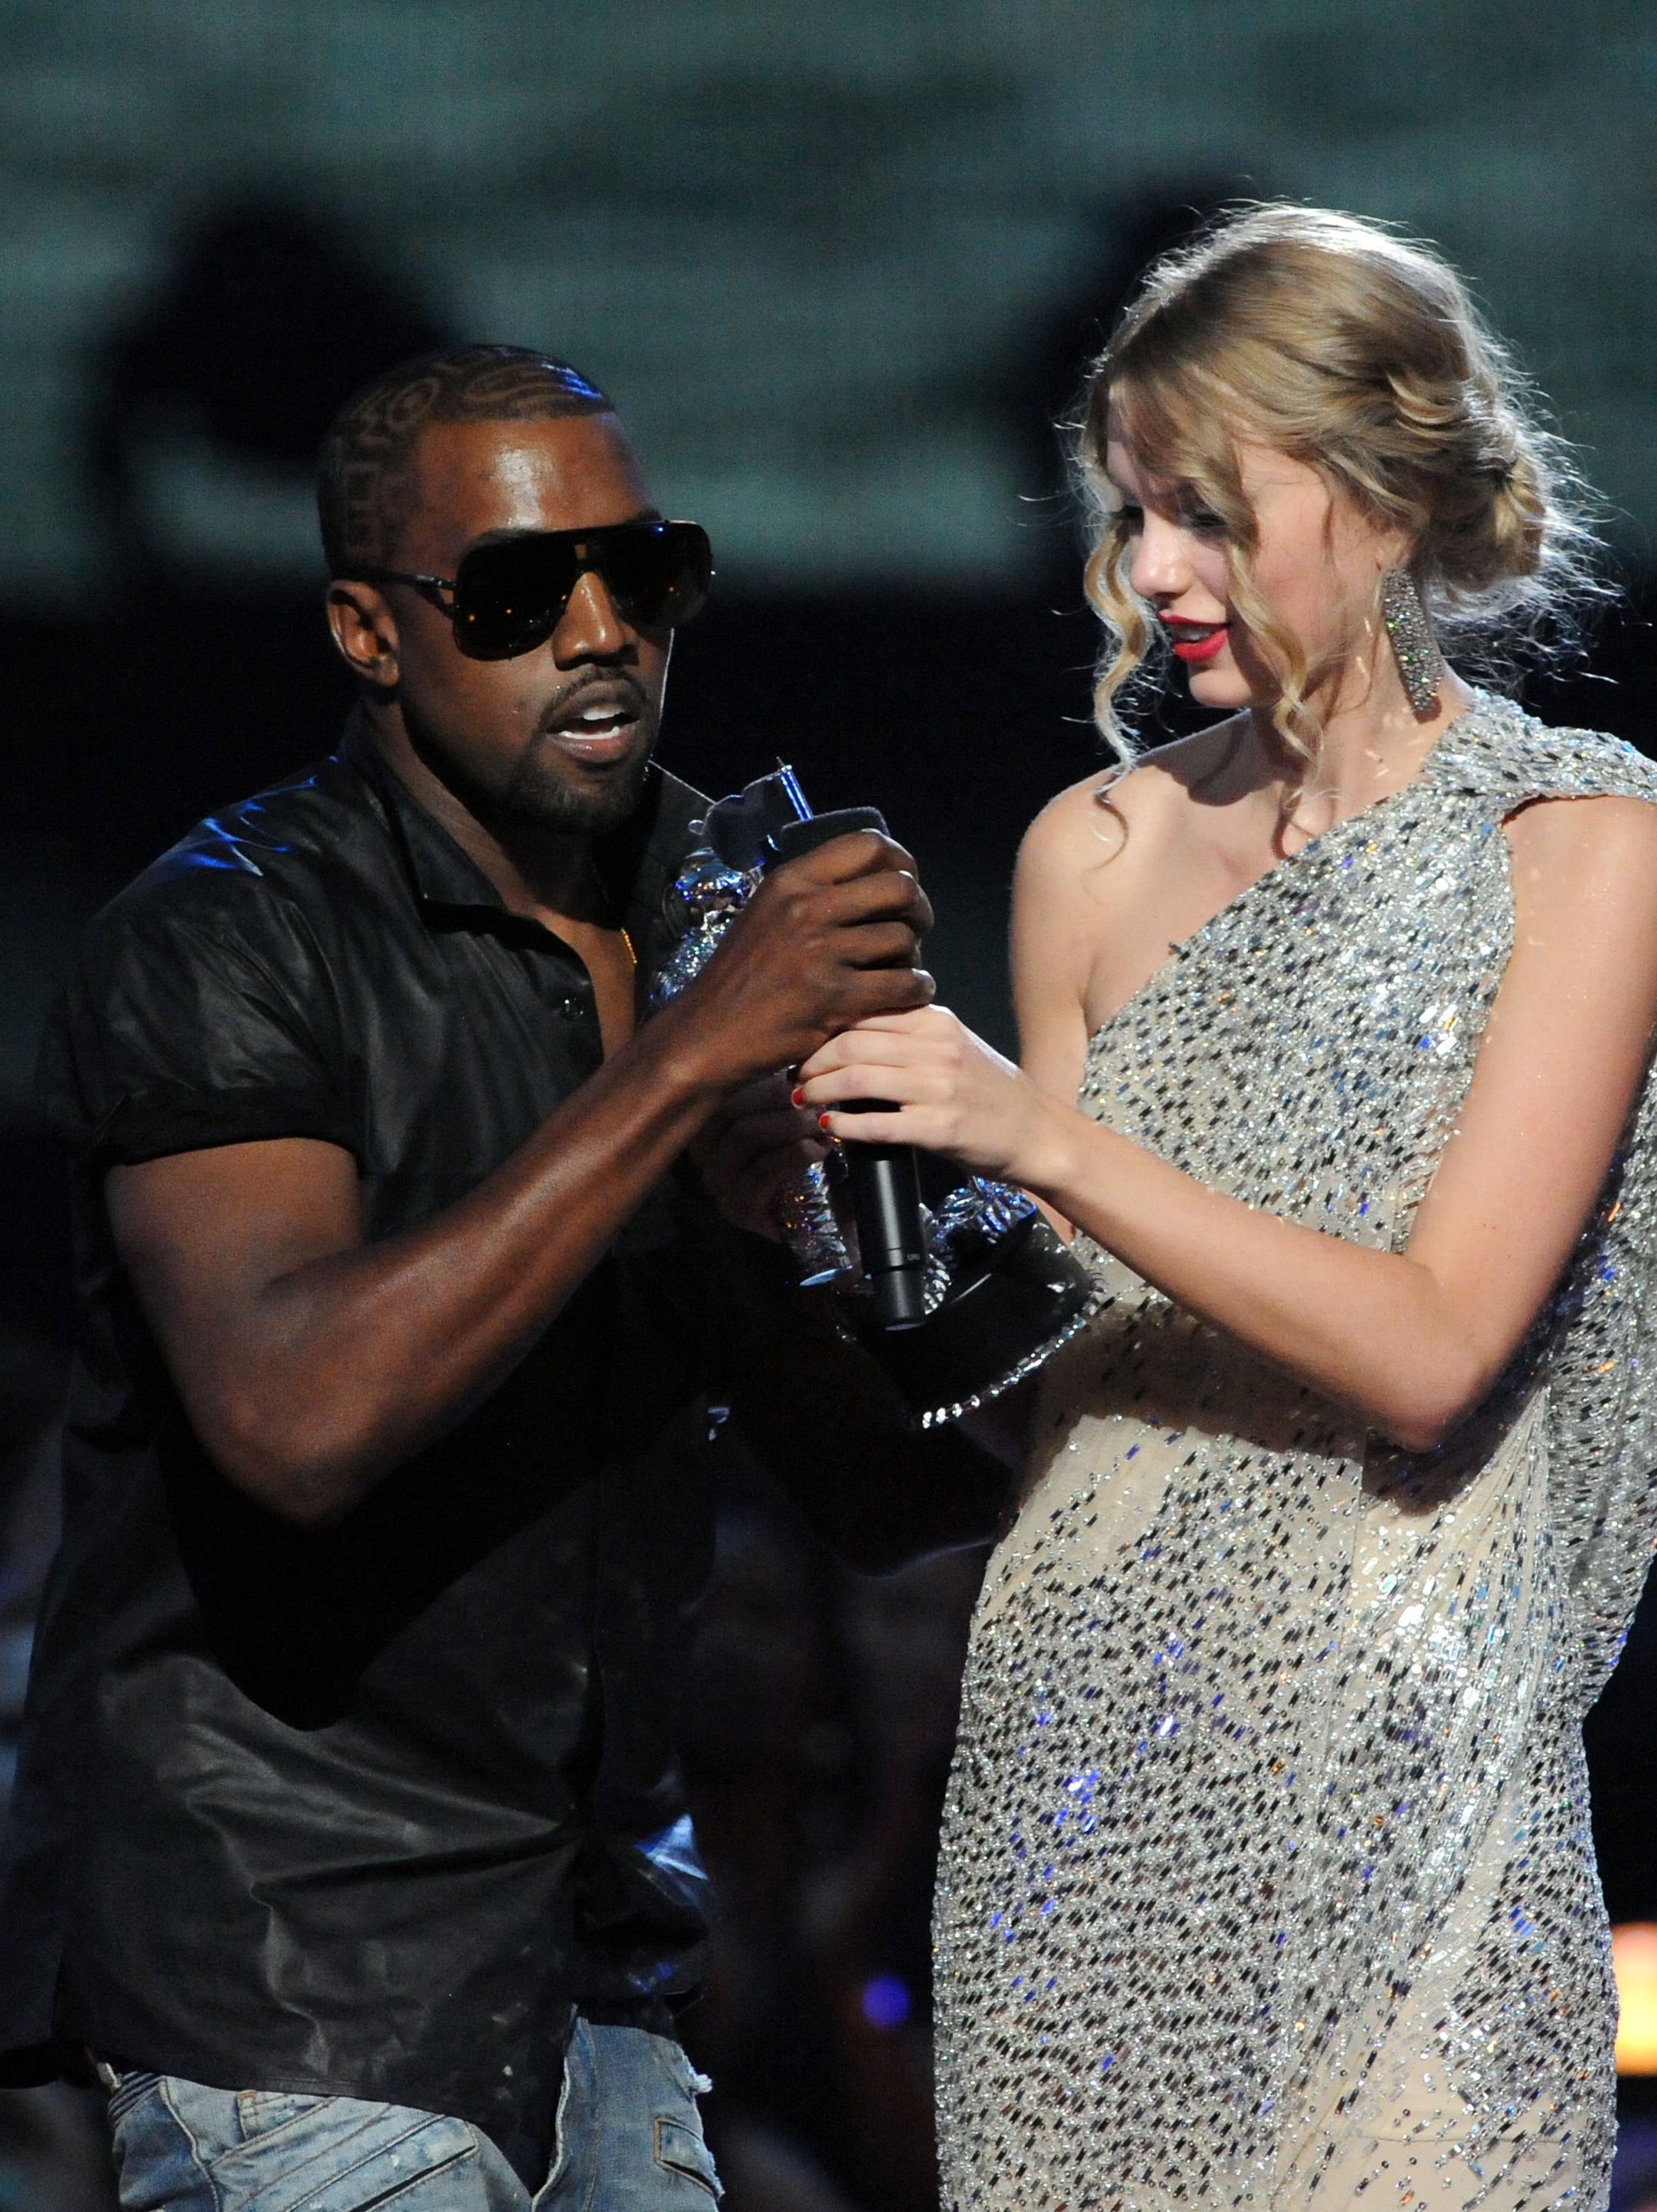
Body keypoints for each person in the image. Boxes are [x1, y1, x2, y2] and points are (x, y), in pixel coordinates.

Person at [0, 343, 1008, 2210]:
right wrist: (689, 1058)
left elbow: (891, 1494)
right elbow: (297, 1420)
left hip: (608, 1970)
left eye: (650, 571)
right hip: (297, 1979)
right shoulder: (226, 938)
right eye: (524, 591)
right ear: (368, 635)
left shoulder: (716, 901)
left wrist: (821, 1207)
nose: (604, 629)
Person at [797, 208, 1657, 2208]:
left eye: (1207, 513)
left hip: (1402, 1777)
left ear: (1388, 499)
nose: (1147, 572)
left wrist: (1036, 1136)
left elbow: (1429, 1343)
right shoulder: (1094, 850)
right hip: (1081, 1775)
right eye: (1132, 513)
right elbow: (1038, 1374)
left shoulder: (1580, 840)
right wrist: (840, 1199)